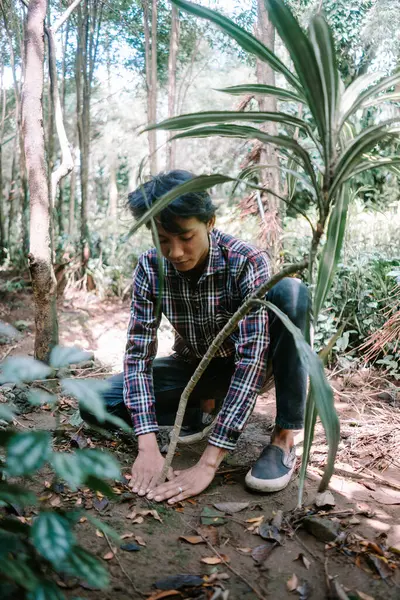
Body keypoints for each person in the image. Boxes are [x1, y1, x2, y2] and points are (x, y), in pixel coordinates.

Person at [81, 170, 310, 505]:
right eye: (163, 240)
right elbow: (137, 357)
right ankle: (196, 412)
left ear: (210, 223)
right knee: (93, 403)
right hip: (195, 369)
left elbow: (251, 363)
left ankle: (283, 439)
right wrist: (146, 445)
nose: (174, 252)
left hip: (256, 367)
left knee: (292, 292)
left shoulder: (246, 262)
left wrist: (207, 463)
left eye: (186, 237)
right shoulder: (149, 267)